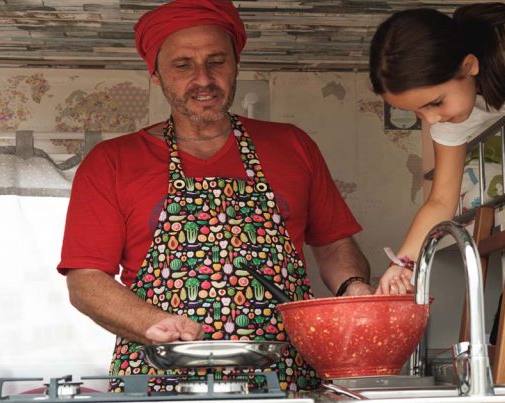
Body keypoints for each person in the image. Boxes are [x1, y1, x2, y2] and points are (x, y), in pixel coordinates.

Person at [57, 0, 372, 392]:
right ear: (155, 74)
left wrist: (354, 288)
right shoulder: (112, 161)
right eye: (183, 65)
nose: (203, 78)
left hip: (283, 378)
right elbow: (86, 280)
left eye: (216, 61)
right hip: (158, 379)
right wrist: (151, 322)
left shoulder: (292, 144)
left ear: (236, 64)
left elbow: (332, 244)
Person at [369, 0, 505, 294]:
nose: (431, 120)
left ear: (469, 65)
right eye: (417, 113)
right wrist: (402, 263)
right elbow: (440, 201)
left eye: (435, 103)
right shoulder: (448, 124)